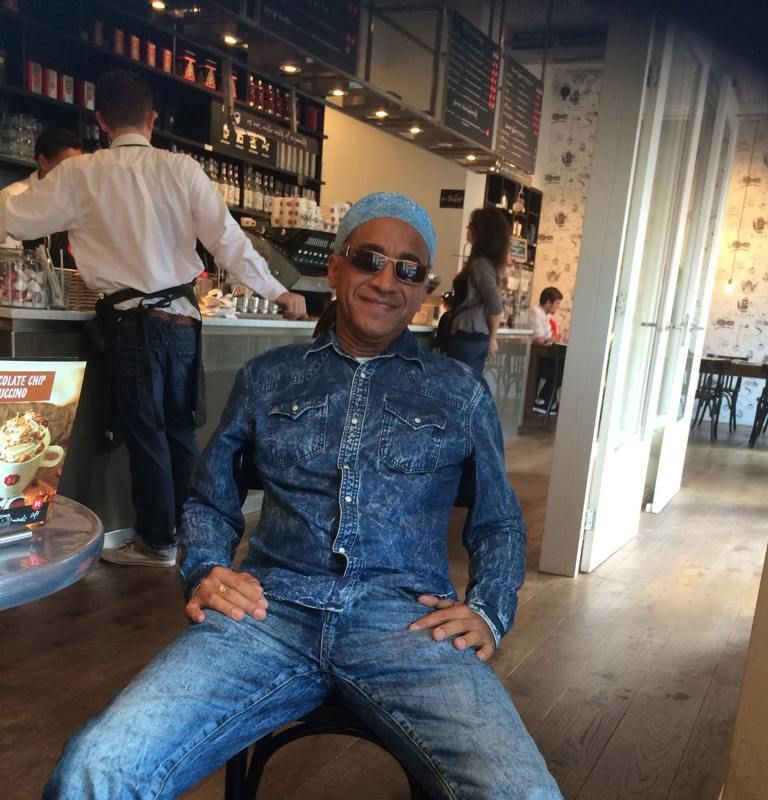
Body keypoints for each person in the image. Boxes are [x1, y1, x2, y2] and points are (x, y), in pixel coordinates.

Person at [42, 192, 564, 800]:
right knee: (95, 767)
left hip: (408, 623)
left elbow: (499, 522)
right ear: (336, 267)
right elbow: (211, 498)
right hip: (268, 613)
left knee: (522, 792)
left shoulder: (459, 392)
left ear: (425, 289)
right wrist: (206, 568)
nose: (386, 281)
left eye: (408, 270)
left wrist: (490, 610)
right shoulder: (268, 377)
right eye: (369, 259)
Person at [0, 70, 306, 569]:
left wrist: (30, 183)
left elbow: (14, 216)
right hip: (182, 319)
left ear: (101, 121)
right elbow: (229, 241)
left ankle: (155, 541)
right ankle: (189, 534)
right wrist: (279, 292)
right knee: (180, 432)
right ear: (152, 119)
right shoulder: (182, 169)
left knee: (147, 435)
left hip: (132, 324)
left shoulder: (81, 174)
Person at [442, 206, 509, 375]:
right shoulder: (483, 263)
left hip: (469, 336)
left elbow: (495, 305)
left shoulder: (480, 264)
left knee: (461, 385)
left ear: (481, 232)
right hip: (470, 336)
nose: (467, 228)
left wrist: (492, 338)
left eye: (471, 225)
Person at [0, 127, 82, 250]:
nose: (73, 174)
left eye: (77, 168)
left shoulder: (77, 198)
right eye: (66, 168)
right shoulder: (12, 197)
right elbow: (9, 255)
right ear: (43, 161)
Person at [530, 286, 564, 414]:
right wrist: (549, 338)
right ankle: (545, 400)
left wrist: (549, 338)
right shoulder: (535, 312)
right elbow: (539, 339)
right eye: (557, 303)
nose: (558, 307)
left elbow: (551, 336)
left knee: (563, 365)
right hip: (532, 356)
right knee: (560, 367)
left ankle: (547, 400)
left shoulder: (546, 316)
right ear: (548, 302)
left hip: (542, 355)